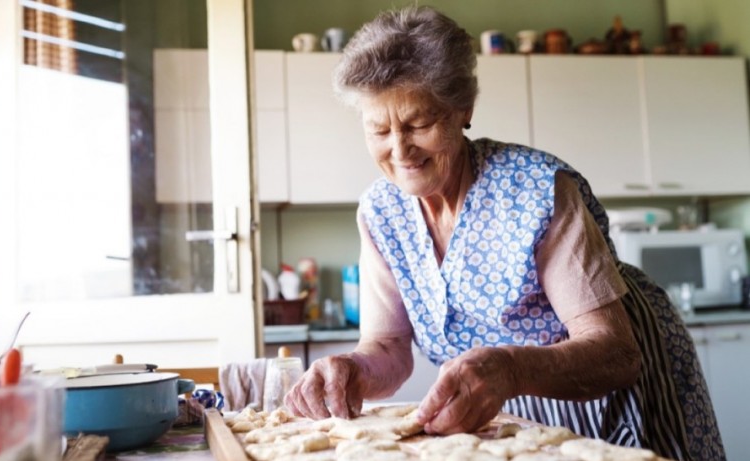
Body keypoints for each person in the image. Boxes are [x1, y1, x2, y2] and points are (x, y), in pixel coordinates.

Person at [283, 6, 723, 461]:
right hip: (510, 393)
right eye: (378, 130)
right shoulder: (381, 212)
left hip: (609, 379)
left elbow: (615, 353)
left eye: (418, 124)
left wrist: (510, 369)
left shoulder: (536, 191)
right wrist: (352, 369)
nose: (400, 150)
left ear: (463, 109)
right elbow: (388, 347)